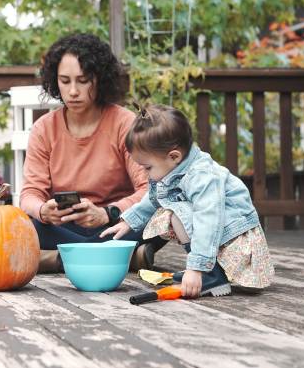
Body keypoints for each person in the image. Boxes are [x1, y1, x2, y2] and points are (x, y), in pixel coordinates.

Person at [20, 33, 164, 273]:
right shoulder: (44, 128)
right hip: (64, 226)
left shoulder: (124, 123)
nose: (73, 91)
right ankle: (123, 258)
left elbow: (150, 190)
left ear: (99, 79)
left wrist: (107, 213)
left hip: (116, 223)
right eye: (65, 81)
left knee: (161, 217)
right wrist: (43, 211)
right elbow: (30, 194)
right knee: (26, 225)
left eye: (83, 80)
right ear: (55, 81)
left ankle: (61, 260)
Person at [100, 103, 275, 298]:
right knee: (170, 210)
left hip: (233, 236)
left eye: (148, 167)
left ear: (174, 156)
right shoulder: (175, 168)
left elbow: (208, 221)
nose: (146, 174)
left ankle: (210, 274)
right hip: (218, 234)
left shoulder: (201, 175)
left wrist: (196, 268)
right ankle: (210, 269)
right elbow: (155, 198)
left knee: (174, 213)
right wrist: (129, 221)